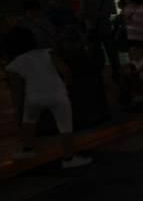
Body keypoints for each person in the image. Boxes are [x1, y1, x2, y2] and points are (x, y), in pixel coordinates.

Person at [4, 27, 92, 168]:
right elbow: (65, 71)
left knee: (29, 121)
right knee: (65, 127)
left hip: (33, 97)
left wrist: (18, 109)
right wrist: (66, 85)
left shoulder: (13, 64)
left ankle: (28, 149)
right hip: (57, 94)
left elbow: (17, 91)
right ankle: (68, 159)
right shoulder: (47, 52)